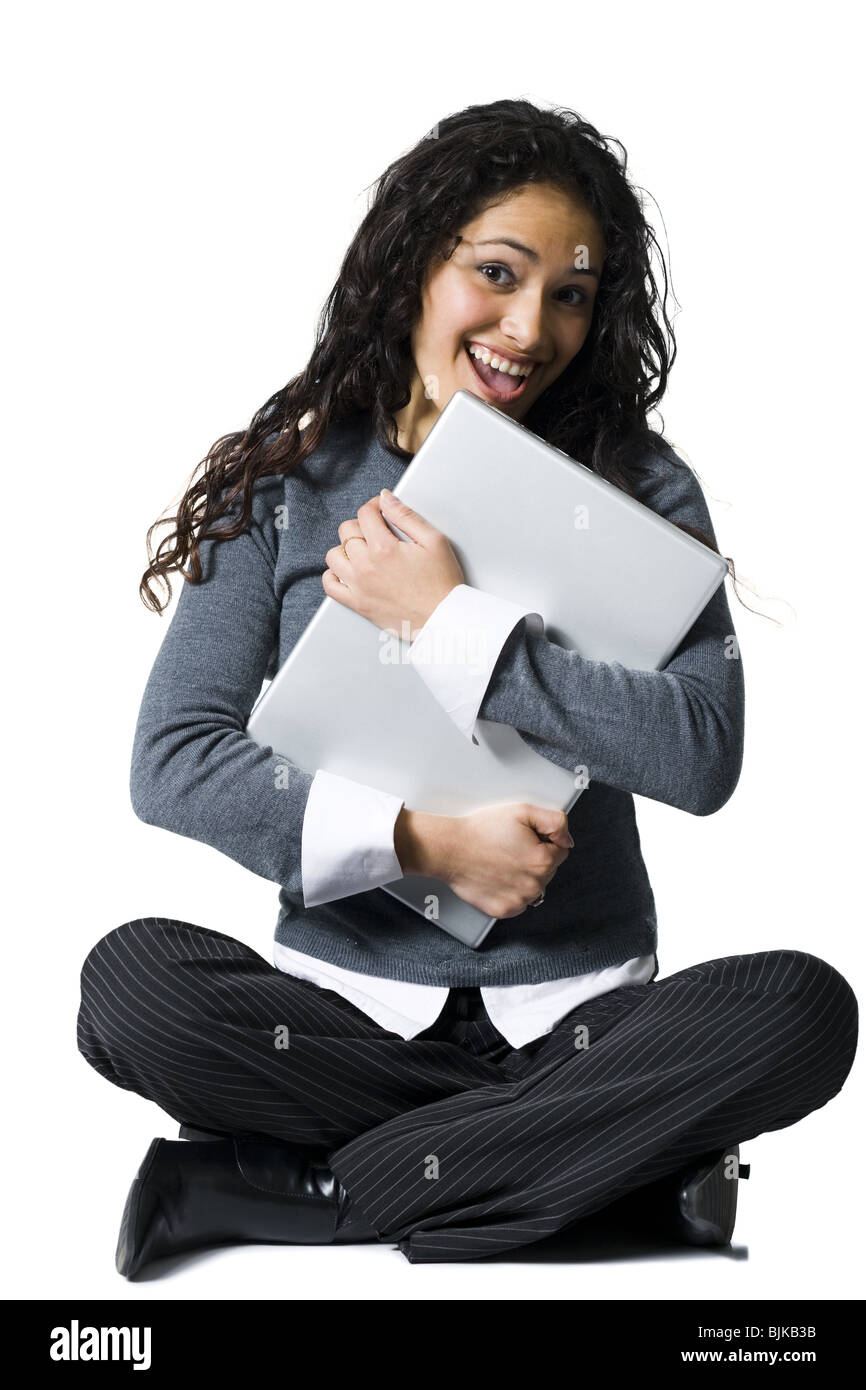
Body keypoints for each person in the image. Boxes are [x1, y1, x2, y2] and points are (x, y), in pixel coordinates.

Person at [77, 98, 858, 1279]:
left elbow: (699, 754)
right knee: (130, 984)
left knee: (802, 1011)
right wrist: (422, 846)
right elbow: (173, 761)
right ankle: (604, 1183)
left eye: (568, 295)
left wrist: (451, 624)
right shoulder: (296, 479)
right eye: (494, 273)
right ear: (411, 270)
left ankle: (316, 1190)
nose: (525, 326)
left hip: (583, 1033)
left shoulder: (639, 490)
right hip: (339, 1021)